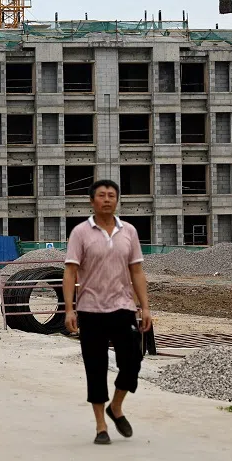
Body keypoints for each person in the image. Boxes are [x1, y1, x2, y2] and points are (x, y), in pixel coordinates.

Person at [63, 179, 152, 445]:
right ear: (92, 201)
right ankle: (101, 426)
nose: (107, 199)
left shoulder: (129, 232)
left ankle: (117, 406)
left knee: (133, 360)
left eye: (111, 195)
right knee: (96, 367)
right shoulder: (80, 232)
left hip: (123, 308)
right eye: (101, 195)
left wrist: (144, 306)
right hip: (90, 310)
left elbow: (136, 271)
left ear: (117, 200)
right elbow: (70, 271)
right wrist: (70, 309)